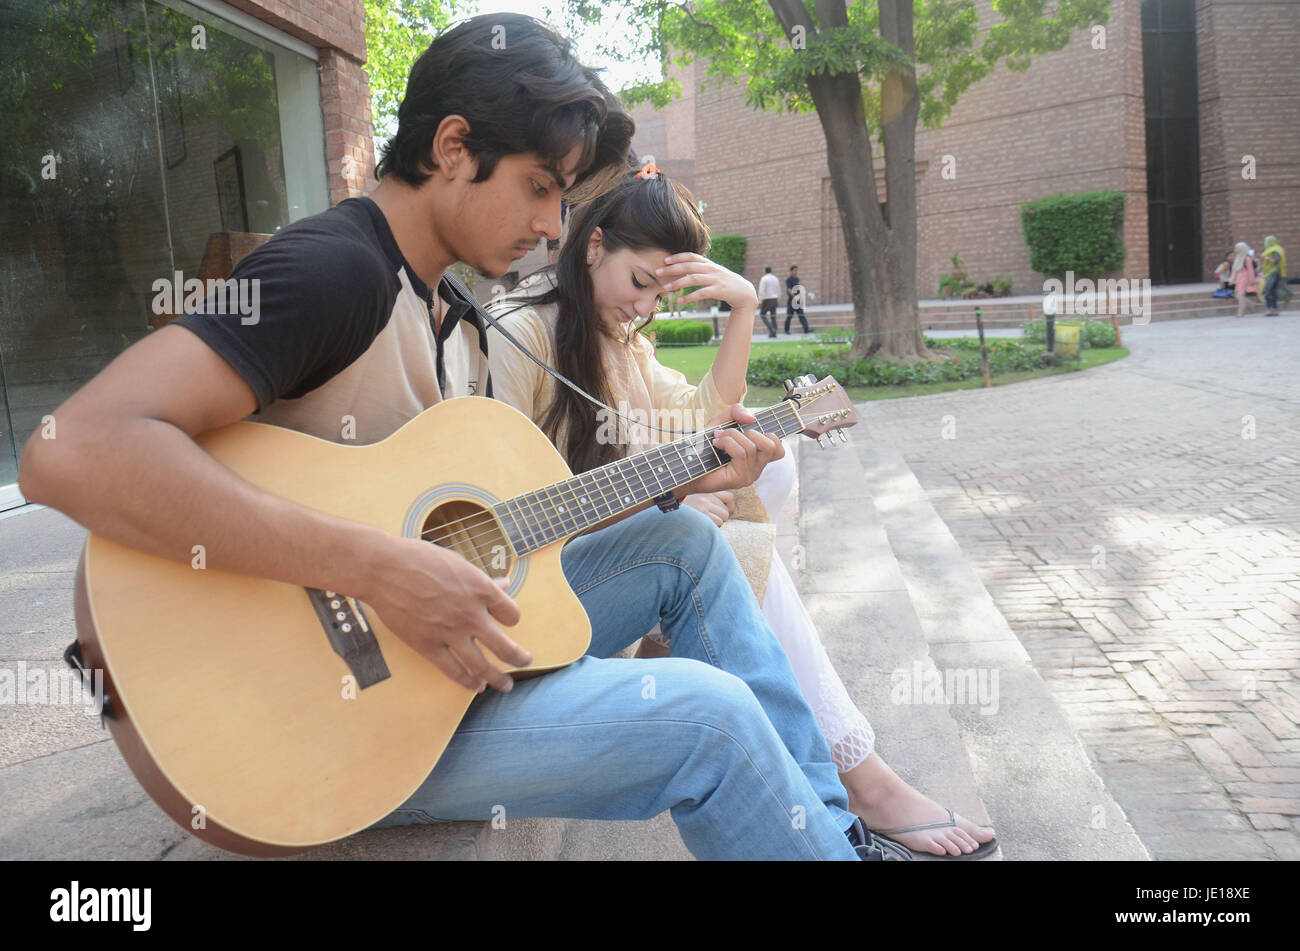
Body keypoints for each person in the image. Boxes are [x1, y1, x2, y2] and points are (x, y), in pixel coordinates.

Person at [18, 15, 895, 861]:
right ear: (451, 150)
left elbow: (482, 527)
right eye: (540, 186)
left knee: (683, 543)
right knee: (711, 717)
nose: (555, 225)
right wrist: (376, 568)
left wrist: (678, 476)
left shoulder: (462, 313)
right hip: (340, 724)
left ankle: (824, 832)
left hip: (438, 668)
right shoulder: (337, 270)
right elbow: (72, 450)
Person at [485, 168, 998, 858]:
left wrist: (744, 310)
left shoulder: (621, 337)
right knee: (696, 537)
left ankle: (836, 804)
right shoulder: (522, 335)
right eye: (639, 283)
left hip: (592, 563)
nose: (643, 310)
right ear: (593, 245)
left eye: (659, 297)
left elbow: (701, 418)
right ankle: (856, 785)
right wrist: (674, 497)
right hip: (532, 594)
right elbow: (508, 519)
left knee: (751, 486)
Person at [1259, 235, 1291, 316]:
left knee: (1267, 291)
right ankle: (1272, 309)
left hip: (1273, 273)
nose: (1265, 243)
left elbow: (1276, 261)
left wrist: (1265, 257)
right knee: (1270, 291)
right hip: (1269, 273)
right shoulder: (1272, 250)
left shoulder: (1275, 250)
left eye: (1266, 242)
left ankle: (1272, 309)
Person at [1230, 241, 1257, 317]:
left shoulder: (1247, 258)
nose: (1235, 249)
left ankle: (1241, 312)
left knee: (1240, 294)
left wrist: (1252, 280)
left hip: (1245, 277)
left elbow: (1250, 269)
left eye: (1237, 248)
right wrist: (1232, 279)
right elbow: (1234, 270)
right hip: (1239, 277)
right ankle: (1251, 304)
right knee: (1237, 295)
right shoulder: (1237, 258)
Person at [757, 265, 780, 338]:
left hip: (767, 299)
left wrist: (760, 301)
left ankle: (771, 328)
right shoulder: (775, 278)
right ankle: (774, 330)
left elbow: (761, 291)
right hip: (774, 298)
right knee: (773, 316)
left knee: (762, 314)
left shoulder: (764, 279)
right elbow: (778, 289)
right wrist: (778, 298)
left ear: (765, 271)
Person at [786, 264, 809, 334]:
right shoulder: (788, 280)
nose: (796, 272)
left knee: (801, 314)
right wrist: (795, 297)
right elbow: (789, 289)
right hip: (792, 300)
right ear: (791, 271)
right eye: (794, 270)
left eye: (796, 270)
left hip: (799, 300)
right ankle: (786, 330)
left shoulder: (797, 279)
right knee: (789, 315)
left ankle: (806, 329)